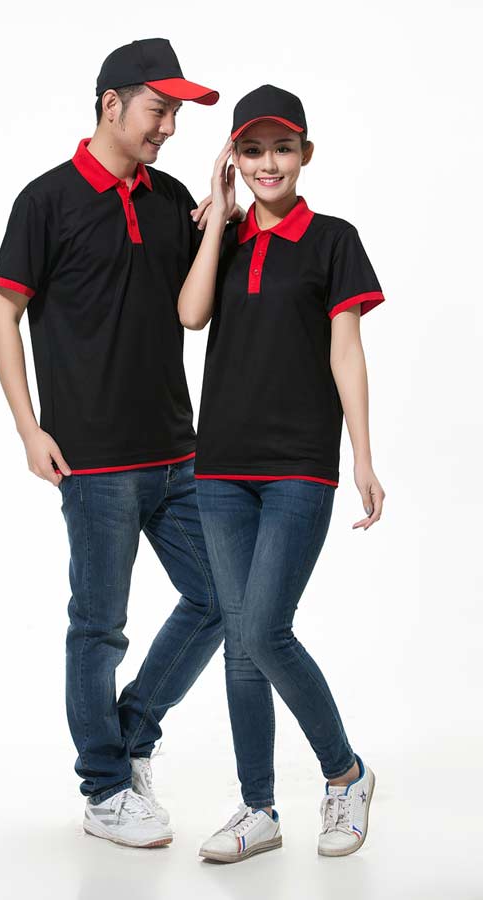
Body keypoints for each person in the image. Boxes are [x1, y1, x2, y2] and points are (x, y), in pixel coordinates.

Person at [0, 37, 240, 850]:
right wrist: (29, 429)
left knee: (224, 599)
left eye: (175, 114)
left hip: (178, 452)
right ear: (111, 104)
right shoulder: (46, 201)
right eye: (159, 109)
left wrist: (219, 219)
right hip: (93, 464)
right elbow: (2, 313)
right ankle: (104, 791)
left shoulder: (170, 201)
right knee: (99, 628)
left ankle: (128, 738)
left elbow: (195, 308)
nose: (169, 127)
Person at [178, 84, 386, 863]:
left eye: (283, 149)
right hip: (219, 467)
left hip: (300, 464)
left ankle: (345, 774)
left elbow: (346, 351)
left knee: (265, 629)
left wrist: (362, 454)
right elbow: (191, 314)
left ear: (306, 155)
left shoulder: (333, 240)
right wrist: (216, 215)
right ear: (234, 157)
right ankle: (258, 808)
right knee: (240, 642)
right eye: (253, 150)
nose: (269, 163)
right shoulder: (222, 236)